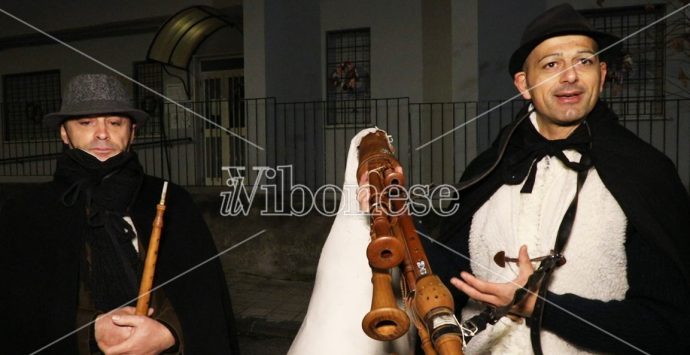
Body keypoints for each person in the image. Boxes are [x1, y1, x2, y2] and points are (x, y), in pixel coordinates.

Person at [425, 4, 690, 354]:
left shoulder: (645, 172)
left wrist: (541, 307)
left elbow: (667, 326)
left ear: (603, 72)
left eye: (584, 61)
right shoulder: (490, 166)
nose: (570, 76)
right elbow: (445, 274)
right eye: (551, 65)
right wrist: (390, 214)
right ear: (524, 84)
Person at [0, 74, 240, 354]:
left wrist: (170, 331)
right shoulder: (27, 209)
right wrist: (88, 330)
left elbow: (205, 296)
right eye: (85, 122)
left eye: (115, 122)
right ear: (64, 133)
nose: (102, 133)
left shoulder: (171, 200)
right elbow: (13, 306)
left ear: (133, 131)